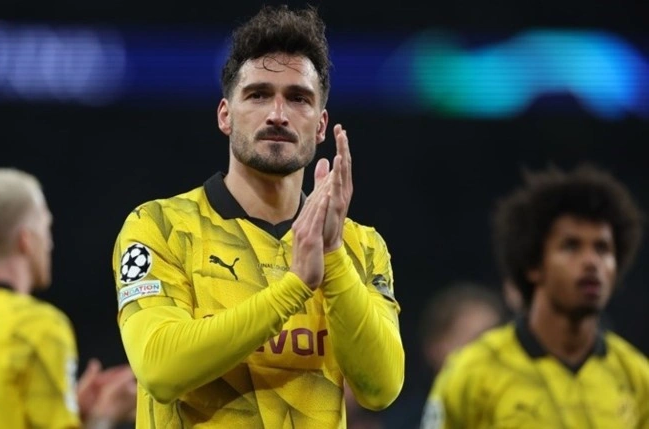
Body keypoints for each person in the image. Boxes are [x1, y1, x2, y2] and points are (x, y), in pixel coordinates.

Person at [111, 4, 405, 428]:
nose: (278, 114)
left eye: (298, 98)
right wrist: (294, 288)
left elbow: (381, 388)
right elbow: (160, 369)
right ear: (225, 115)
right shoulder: (159, 226)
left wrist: (332, 254)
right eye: (258, 94)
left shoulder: (362, 246)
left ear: (321, 125)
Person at [421, 163, 649, 428]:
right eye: (571, 246)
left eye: (602, 248)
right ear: (533, 266)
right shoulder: (470, 374)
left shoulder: (637, 379)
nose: (591, 262)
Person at [0, 167, 137, 429]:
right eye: (46, 227)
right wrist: (106, 415)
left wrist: (70, 409)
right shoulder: (37, 327)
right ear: (26, 239)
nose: (50, 243)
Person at [382, 282, 505, 429]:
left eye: (494, 340)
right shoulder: (399, 421)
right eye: (474, 340)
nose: (485, 352)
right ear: (435, 347)